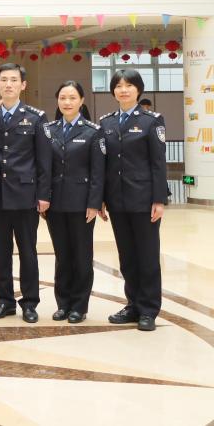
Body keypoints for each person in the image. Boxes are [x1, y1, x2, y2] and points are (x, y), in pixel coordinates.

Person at [0, 64, 51, 323]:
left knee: (27, 251)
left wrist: (44, 195)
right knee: (1, 252)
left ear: (23, 85)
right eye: (3, 80)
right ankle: (5, 301)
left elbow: (44, 160)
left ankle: (30, 303)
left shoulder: (36, 117)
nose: (8, 84)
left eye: (13, 80)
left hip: (25, 195)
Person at [99, 69, 168, 332]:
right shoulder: (106, 122)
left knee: (147, 256)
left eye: (129, 85)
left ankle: (148, 309)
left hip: (144, 200)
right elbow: (103, 164)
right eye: (118, 85)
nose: (123, 90)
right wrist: (102, 198)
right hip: (117, 200)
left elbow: (158, 163)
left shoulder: (152, 121)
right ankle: (133, 305)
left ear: (138, 89)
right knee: (127, 256)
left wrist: (159, 199)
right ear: (113, 91)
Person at [46, 80, 105, 324]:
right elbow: (44, 168)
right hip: (55, 204)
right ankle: (63, 304)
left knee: (81, 255)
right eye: (63, 98)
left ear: (81, 101)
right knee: (62, 255)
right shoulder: (49, 130)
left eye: (72, 98)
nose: (67, 102)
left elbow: (98, 171)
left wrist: (94, 203)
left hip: (82, 204)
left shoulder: (93, 131)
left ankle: (79, 306)